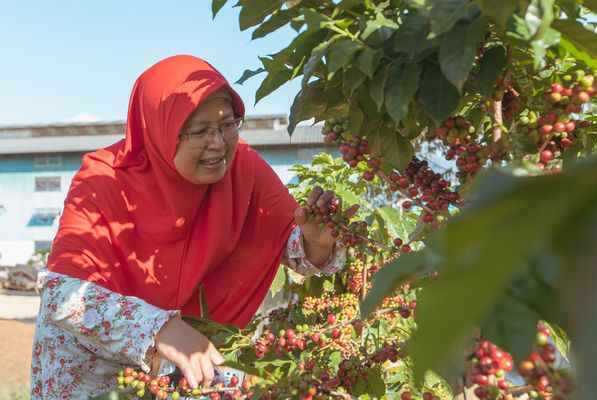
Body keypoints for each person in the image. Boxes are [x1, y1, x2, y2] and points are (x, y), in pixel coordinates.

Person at [30, 55, 356, 399]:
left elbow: (286, 242)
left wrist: (316, 243)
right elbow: (62, 295)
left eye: (228, 125)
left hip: (184, 361)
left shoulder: (242, 167)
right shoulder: (102, 179)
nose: (218, 143)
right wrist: (159, 328)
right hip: (92, 370)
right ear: (160, 131)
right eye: (199, 131)